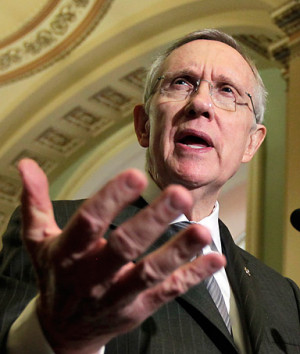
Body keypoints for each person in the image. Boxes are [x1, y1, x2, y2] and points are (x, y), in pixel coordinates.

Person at [0, 29, 299, 354]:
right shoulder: (63, 233)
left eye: (227, 91)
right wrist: (56, 338)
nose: (200, 103)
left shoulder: (284, 294)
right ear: (144, 125)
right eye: (181, 82)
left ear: (251, 142)